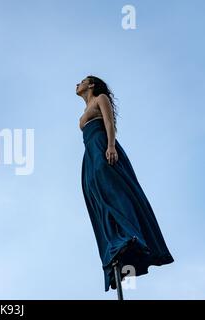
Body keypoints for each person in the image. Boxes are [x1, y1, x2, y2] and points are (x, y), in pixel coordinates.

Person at [76, 75, 174, 292]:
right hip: (90, 154)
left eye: (82, 80)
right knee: (99, 198)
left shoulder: (100, 98)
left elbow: (109, 123)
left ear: (91, 84)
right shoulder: (84, 112)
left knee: (114, 193)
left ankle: (129, 234)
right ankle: (114, 242)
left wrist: (110, 147)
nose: (78, 84)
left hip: (102, 147)